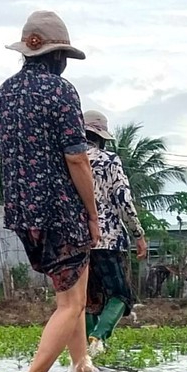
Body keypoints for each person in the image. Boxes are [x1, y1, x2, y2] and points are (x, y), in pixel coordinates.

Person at [0, 10, 102, 372]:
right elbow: (76, 157)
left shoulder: (4, 92)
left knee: (73, 298)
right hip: (60, 209)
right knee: (70, 304)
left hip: (22, 209)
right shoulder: (61, 91)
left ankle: (82, 364)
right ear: (57, 56)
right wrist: (92, 213)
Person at [80, 110, 147, 352]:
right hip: (108, 240)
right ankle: (98, 338)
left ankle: (88, 349)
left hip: (77, 240)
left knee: (88, 299)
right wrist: (138, 234)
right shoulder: (108, 161)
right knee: (121, 295)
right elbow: (123, 200)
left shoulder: (66, 161)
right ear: (101, 137)